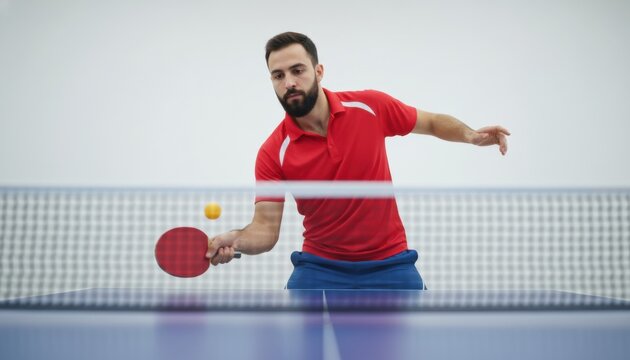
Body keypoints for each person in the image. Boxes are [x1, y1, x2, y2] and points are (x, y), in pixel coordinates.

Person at [205, 32, 510, 289]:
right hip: (319, 269)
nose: (289, 82)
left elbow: (430, 122)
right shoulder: (274, 151)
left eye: (298, 70)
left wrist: (470, 135)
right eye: (278, 75)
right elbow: (265, 230)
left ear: (319, 71)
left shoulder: (369, 107)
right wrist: (237, 239)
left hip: (391, 264)